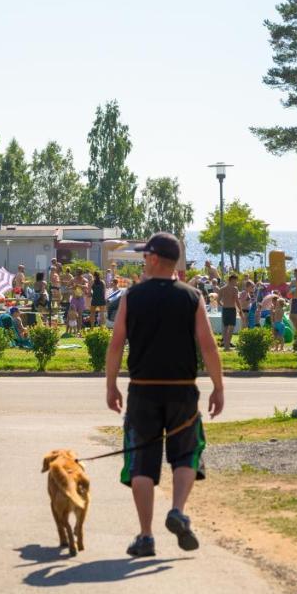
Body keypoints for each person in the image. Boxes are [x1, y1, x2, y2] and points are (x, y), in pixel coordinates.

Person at [105, 232, 223, 558]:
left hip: (143, 391)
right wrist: (218, 386)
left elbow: (116, 344)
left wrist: (110, 384)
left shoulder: (132, 297)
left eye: (145, 256)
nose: (143, 261)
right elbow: (208, 345)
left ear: (155, 259)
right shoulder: (192, 297)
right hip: (182, 390)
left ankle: (145, 536)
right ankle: (178, 510)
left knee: (142, 462)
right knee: (186, 453)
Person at [217, 274, 239, 350]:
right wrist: (240, 311)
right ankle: (227, 346)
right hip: (232, 309)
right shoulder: (234, 289)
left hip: (225, 309)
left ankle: (226, 346)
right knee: (231, 328)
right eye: (235, 280)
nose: (236, 282)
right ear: (232, 280)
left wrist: (224, 305)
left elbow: (218, 301)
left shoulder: (222, 289)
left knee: (225, 328)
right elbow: (237, 301)